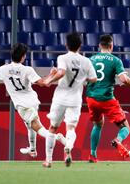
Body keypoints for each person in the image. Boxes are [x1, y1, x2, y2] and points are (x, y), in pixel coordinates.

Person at [0, 43, 66, 158]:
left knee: (37, 127)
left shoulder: (3, 69)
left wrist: (5, 83)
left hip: (22, 105)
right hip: (33, 100)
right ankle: (32, 149)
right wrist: (51, 75)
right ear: (23, 57)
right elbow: (43, 83)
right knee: (30, 125)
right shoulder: (27, 70)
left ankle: (56, 137)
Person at [86, 34, 130, 163]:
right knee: (126, 128)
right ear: (111, 46)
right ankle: (118, 140)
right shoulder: (115, 60)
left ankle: (92, 155)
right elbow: (123, 79)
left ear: (99, 46)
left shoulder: (90, 60)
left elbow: (83, 78)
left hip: (91, 98)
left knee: (97, 124)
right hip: (107, 99)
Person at [42, 32, 97, 168]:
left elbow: (61, 72)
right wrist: (83, 79)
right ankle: (68, 148)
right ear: (80, 46)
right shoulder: (86, 61)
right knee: (71, 128)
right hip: (75, 99)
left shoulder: (63, 57)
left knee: (53, 128)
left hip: (60, 97)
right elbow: (94, 79)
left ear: (66, 45)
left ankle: (48, 160)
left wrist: (50, 79)